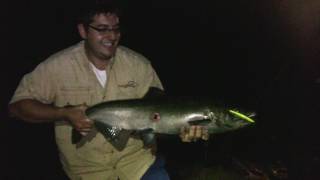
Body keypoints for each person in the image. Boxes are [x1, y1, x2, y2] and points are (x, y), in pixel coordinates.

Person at [8, 1, 208, 180]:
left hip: (139, 165)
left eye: (115, 29)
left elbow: (158, 120)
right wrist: (63, 113)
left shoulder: (139, 65)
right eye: (102, 29)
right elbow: (17, 107)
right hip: (87, 171)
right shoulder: (57, 66)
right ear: (83, 31)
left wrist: (180, 130)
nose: (111, 36)